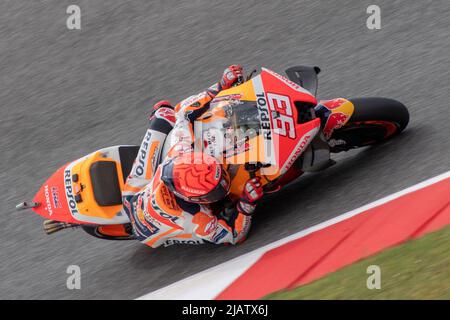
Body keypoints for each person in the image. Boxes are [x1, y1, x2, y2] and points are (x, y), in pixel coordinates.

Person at [121, 65, 264, 247]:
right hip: (140, 214)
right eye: (215, 189)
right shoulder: (194, 218)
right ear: (193, 199)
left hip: (140, 189)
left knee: (165, 113)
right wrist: (246, 205)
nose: (223, 185)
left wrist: (220, 86)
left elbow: (184, 113)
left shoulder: (180, 149)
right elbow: (234, 235)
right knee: (226, 211)